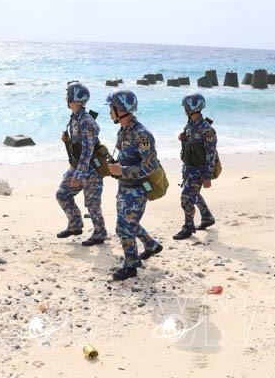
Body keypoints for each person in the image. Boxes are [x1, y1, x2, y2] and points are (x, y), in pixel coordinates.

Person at [105, 90, 163, 280]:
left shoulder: (142, 134)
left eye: (111, 108)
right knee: (129, 223)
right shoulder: (123, 130)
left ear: (120, 109)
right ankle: (151, 245)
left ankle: (131, 266)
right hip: (124, 187)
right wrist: (116, 166)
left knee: (124, 227)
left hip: (137, 189)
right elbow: (127, 157)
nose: (109, 112)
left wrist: (122, 170)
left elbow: (150, 166)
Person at [55, 82, 107, 246]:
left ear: (73, 99)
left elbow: (87, 151)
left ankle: (100, 233)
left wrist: (78, 175)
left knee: (92, 204)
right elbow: (79, 147)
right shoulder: (75, 118)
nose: (66, 99)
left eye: (68, 96)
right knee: (62, 194)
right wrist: (67, 141)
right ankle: (75, 224)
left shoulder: (86, 121)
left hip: (90, 170)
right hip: (77, 167)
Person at [173, 93, 217, 240]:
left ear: (191, 108)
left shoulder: (206, 129)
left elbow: (210, 154)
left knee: (186, 197)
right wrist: (183, 139)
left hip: (199, 170)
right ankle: (207, 217)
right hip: (188, 168)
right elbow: (191, 145)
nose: (184, 109)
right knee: (194, 195)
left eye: (185, 107)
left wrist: (207, 177)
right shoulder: (189, 125)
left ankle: (188, 227)